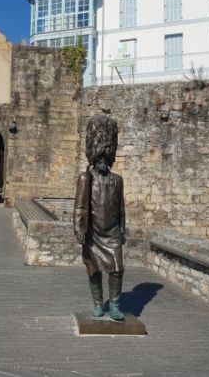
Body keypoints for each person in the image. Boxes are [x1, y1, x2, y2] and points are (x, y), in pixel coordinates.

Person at [73, 113, 126, 321]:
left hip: (112, 233)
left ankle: (114, 305)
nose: (103, 161)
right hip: (92, 233)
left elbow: (121, 208)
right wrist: (79, 228)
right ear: (95, 156)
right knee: (93, 269)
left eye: (106, 156)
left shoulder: (117, 180)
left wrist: (122, 230)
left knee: (117, 268)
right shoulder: (86, 177)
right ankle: (98, 304)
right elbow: (79, 206)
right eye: (100, 157)